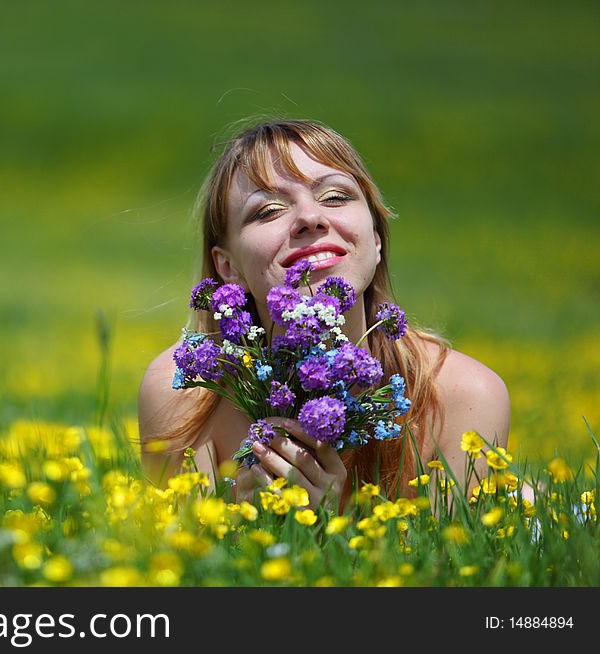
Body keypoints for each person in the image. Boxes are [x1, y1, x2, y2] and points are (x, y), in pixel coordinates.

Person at [138, 119, 510, 509]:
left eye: (334, 197)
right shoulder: (183, 397)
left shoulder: (463, 397)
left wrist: (326, 534)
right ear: (227, 267)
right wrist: (240, 527)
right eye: (268, 210)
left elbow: (445, 565)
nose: (310, 218)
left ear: (376, 239)